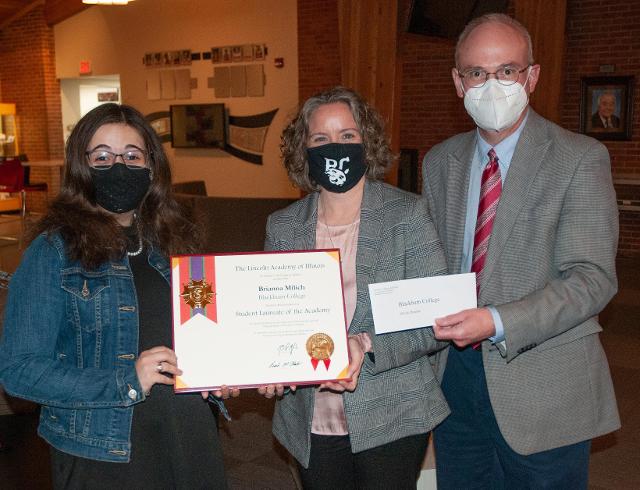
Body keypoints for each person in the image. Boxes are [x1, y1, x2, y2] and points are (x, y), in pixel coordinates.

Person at [421, 13, 620, 489]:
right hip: (456, 382)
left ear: (531, 76)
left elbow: (592, 278)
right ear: (457, 82)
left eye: (507, 70)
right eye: (476, 73)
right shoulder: (438, 161)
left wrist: (496, 319)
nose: (492, 85)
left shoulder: (580, 158)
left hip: (544, 383)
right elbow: (429, 265)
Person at [0, 103, 231, 489]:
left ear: (151, 167)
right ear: (81, 167)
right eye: (103, 156)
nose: (118, 166)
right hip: (104, 452)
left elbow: (203, 331)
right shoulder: (54, 251)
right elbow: (19, 371)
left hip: (188, 435)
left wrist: (220, 373)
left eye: (132, 155)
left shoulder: (177, 243)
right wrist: (125, 380)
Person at [260, 86, 450, 489]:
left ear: (368, 142)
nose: (336, 147)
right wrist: (266, 361)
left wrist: (365, 344)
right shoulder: (282, 226)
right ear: (303, 149)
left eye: (348, 136)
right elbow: (272, 318)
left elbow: (436, 316)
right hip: (310, 413)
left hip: (393, 410)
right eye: (320, 138)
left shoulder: (407, 214)